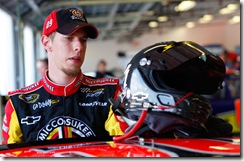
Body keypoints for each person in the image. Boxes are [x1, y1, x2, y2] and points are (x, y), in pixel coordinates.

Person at [2, 8, 128, 144]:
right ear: (47, 43)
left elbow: (127, 149)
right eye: (69, 38)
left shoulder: (109, 93)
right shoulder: (18, 104)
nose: (79, 47)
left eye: (83, 40)